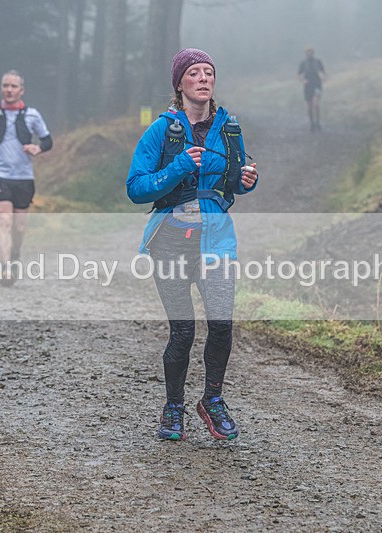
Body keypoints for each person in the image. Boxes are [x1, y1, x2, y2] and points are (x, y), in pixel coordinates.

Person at [127, 48, 259, 441]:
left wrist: (246, 180)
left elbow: (234, 176)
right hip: (169, 241)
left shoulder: (229, 127)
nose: (203, 79)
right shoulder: (161, 130)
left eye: (209, 73)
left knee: (222, 325)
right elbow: (136, 188)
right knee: (182, 332)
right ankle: (173, 408)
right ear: (180, 83)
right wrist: (180, 166)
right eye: (195, 73)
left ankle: (212, 400)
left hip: (217, 240)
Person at [0, 70, 52, 286]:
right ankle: (5, 268)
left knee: (19, 227)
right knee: (4, 220)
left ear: (21, 90)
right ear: (1, 88)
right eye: (5, 85)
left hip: (24, 177)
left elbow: (48, 141)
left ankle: (15, 254)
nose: (9, 89)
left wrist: (38, 148)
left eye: (13, 86)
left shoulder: (32, 115)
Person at [298, 47, 325, 132]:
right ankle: (312, 123)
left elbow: (323, 71)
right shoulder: (303, 63)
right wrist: (303, 80)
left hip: (317, 84)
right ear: (306, 53)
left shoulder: (318, 62)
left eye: (311, 52)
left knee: (316, 104)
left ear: (313, 53)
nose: (309, 54)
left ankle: (318, 122)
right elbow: (299, 74)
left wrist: (323, 78)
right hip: (308, 85)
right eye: (308, 52)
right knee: (309, 106)